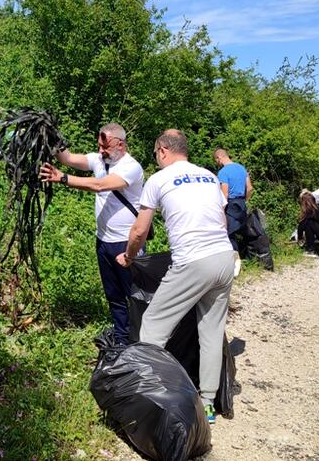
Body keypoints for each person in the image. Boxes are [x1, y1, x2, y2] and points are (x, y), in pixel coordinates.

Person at [115, 129, 235, 424]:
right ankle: (207, 403)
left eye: (156, 154)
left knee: (152, 328)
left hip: (193, 261)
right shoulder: (208, 175)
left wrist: (129, 256)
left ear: (163, 151)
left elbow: (140, 231)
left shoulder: (158, 179)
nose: (156, 159)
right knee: (209, 331)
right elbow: (221, 219)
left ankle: (153, 399)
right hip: (224, 257)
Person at [39, 123, 145, 345]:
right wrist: (51, 132)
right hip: (104, 241)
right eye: (99, 145)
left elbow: (100, 185)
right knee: (114, 295)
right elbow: (67, 158)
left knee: (135, 296)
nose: (100, 151)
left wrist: (63, 178)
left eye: (105, 147)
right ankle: (122, 338)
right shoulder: (99, 160)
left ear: (120, 144)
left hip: (127, 243)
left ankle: (143, 341)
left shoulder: (131, 167)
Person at [214, 149, 253, 252]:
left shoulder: (223, 172)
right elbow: (249, 188)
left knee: (230, 234)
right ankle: (246, 254)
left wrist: (221, 211)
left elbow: (224, 194)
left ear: (219, 158)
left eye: (216, 160)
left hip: (230, 205)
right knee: (243, 231)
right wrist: (245, 200)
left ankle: (235, 260)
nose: (217, 163)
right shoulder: (241, 168)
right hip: (242, 203)